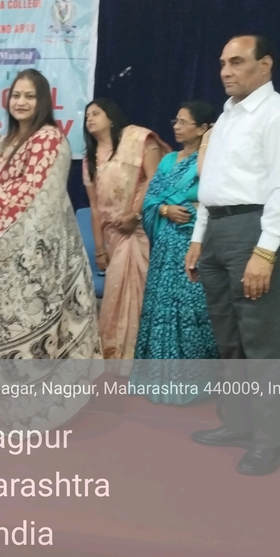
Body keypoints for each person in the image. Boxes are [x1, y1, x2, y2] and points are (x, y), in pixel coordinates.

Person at [184, 35, 280, 476]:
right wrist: (199, 237)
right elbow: (212, 185)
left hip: (255, 230)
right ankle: (238, 423)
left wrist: (265, 252)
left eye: (237, 62)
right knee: (230, 341)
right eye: (222, 63)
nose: (225, 71)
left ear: (265, 64)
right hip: (218, 230)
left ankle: (270, 443)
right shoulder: (226, 118)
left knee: (262, 345)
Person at [0, 69, 103, 430]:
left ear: (42, 102)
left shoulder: (49, 139)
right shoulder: (6, 141)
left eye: (29, 96)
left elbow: (33, 194)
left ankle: (34, 417)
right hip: (5, 261)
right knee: (4, 335)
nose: (21, 102)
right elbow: (3, 185)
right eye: (16, 95)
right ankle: (4, 414)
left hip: (37, 262)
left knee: (33, 338)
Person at [132, 101, 220, 403]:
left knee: (190, 309)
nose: (177, 127)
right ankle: (157, 380)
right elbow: (151, 200)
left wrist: (191, 214)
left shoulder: (210, 161)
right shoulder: (168, 160)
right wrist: (165, 210)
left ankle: (196, 383)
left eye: (184, 122)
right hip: (165, 246)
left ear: (203, 128)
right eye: (176, 121)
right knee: (161, 308)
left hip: (195, 244)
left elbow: (213, 200)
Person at [81, 98, 169, 373]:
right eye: (87, 116)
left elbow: (156, 180)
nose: (90, 119)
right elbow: (95, 207)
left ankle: (141, 358)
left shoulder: (137, 140)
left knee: (141, 294)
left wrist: (136, 215)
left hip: (142, 231)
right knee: (116, 295)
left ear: (111, 117)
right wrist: (99, 248)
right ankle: (116, 358)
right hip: (113, 235)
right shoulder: (89, 160)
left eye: (96, 113)